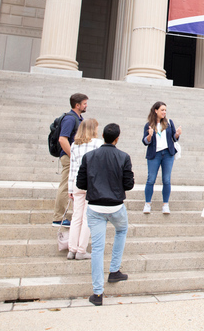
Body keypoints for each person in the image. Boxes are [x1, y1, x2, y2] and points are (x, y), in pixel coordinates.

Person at [76, 123, 134, 306]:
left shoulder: (89, 156)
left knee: (98, 249)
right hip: (116, 206)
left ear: (102, 135)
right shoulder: (124, 157)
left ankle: (98, 293)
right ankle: (114, 270)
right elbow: (129, 185)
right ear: (118, 138)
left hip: (95, 206)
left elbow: (81, 183)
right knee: (121, 231)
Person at [66, 118, 103, 260]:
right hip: (92, 183)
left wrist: (70, 187)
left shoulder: (75, 145)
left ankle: (72, 248)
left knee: (76, 216)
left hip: (77, 182)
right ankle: (81, 249)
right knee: (87, 217)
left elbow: (73, 168)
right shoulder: (98, 144)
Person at [52, 93, 87, 227]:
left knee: (71, 185)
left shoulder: (78, 118)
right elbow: (62, 139)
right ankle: (58, 217)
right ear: (77, 105)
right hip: (69, 157)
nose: (86, 105)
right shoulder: (70, 119)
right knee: (66, 185)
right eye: (84, 103)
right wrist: (73, 157)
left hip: (73, 157)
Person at [142, 101, 182, 214]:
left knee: (166, 179)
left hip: (168, 154)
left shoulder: (169, 122)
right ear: (156, 110)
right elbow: (145, 141)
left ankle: (165, 204)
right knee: (151, 179)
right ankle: (147, 204)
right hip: (155, 154)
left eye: (165, 110)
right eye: (162, 110)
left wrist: (177, 134)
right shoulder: (149, 124)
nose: (164, 112)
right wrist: (149, 136)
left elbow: (174, 138)